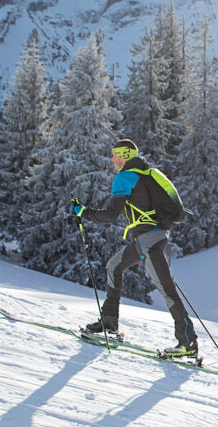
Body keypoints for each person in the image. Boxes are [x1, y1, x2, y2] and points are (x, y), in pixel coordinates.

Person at [68, 139, 198, 357]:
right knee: (114, 266)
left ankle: (188, 344)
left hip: (149, 241)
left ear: (124, 155)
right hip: (147, 238)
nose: (112, 159)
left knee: (167, 291)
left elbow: (111, 215)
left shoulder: (126, 177)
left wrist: (83, 212)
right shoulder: (144, 174)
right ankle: (109, 324)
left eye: (115, 154)